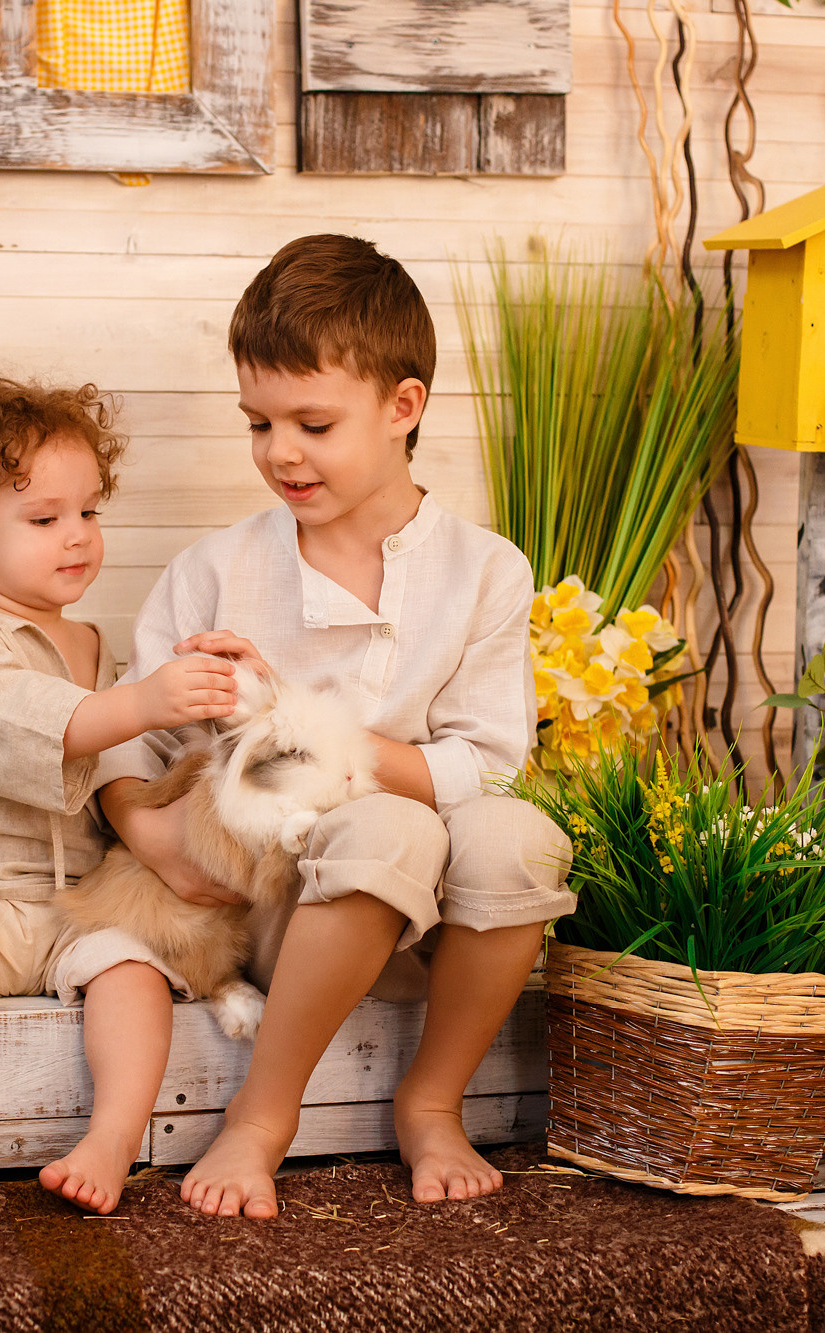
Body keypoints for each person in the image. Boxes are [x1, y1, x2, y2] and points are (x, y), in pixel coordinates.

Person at [96, 235, 575, 1219]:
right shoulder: (217, 569)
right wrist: (148, 834)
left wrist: (309, 737)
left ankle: (431, 1100)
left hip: (435, 918)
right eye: (258, 422)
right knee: (387, 828)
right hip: (287, 903)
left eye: (312, 422)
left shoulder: (484, 570)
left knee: (520, 840)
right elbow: (123, 734)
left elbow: (481, 762)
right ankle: (261, 1118)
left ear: (403, 407)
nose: (280, 452)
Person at [0, 378, 242, 1213]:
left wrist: (204, 692)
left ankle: (112, 1137)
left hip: (79, 901)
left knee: (135, 969)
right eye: (44, 519)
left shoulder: (94, 642)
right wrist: (141, 699)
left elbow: (123, 762)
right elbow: (37, 721)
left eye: (89, 514)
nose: (77, 538)